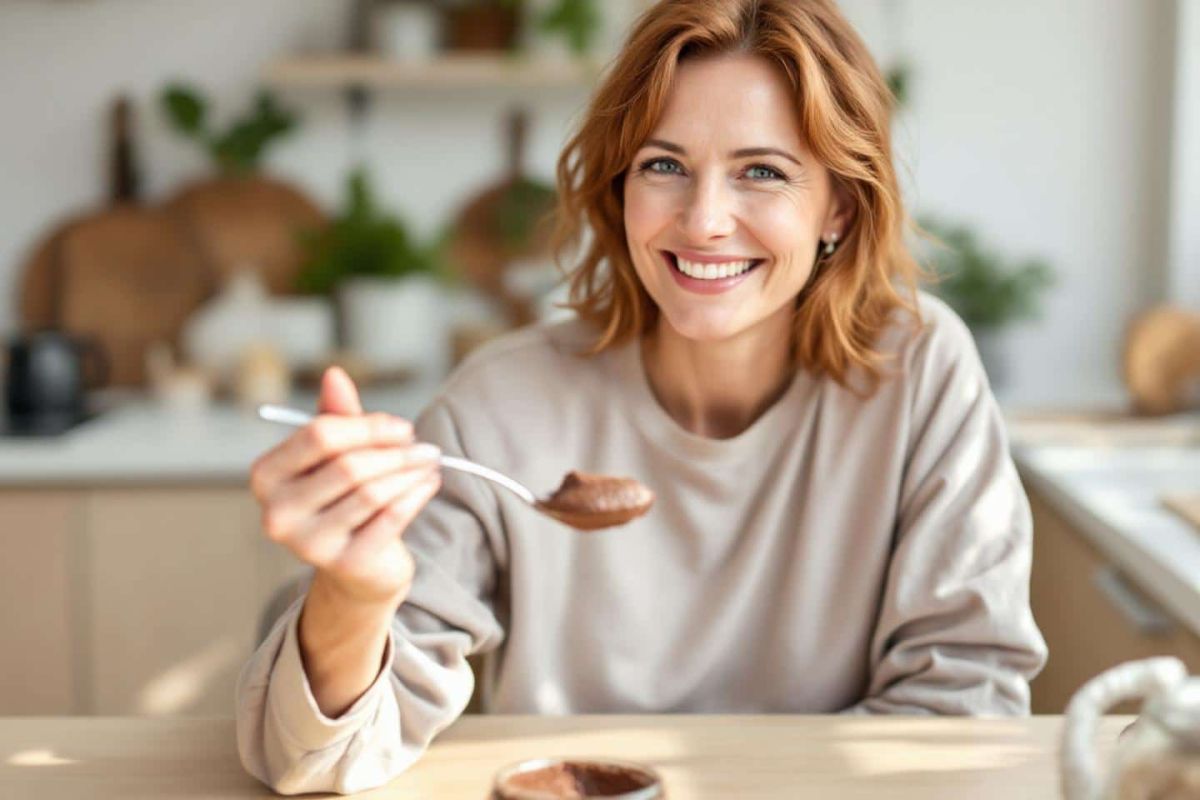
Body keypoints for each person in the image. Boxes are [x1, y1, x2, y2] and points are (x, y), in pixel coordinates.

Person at [237, 0, 1048, 793]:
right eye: (665, 166)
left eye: (760, 172)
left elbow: (963, 714)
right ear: (620, 187)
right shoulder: (501, 406)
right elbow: (313, 761)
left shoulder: (918, 375)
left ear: (838, 203)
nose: (704, 221)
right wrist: (355, 593)